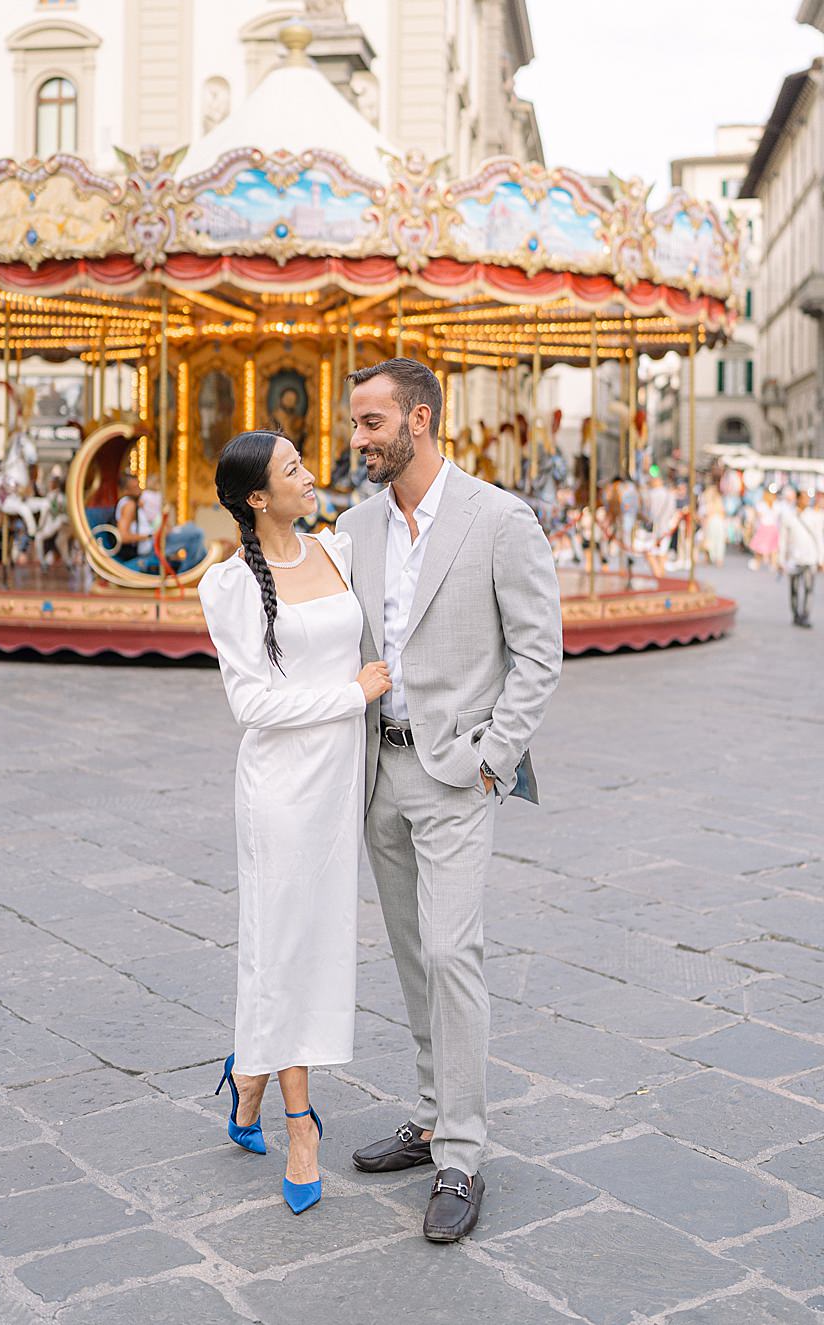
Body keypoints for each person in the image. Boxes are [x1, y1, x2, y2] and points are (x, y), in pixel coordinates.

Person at [337, 358, 561, 1244]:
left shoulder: (499, 519)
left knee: (452, 949)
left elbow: (539, 654)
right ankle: (430, 1112)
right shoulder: (353, 526)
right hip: (377, 772)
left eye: (371, 423)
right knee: (410, 954)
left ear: (420, 420)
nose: (357, 439)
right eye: (357, 424)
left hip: (456, 772)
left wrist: (493, 759)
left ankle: (462, 1154)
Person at [200, 430, 391, 1217]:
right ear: (257, 496)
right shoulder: (231, 584)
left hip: (339, 782)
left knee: (319, 939)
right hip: (280, 786)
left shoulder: (338, 548)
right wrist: (352, 693)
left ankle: (249, 1076)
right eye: (292, 471)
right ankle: (299, 1121)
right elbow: (252, 705)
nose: (309, 477)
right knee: (281, 942)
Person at [783, 490, 821, 628]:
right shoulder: (789, 516)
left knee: (809, 588)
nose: (806, 501)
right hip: (794, 559)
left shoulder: (813, 516)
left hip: (810, 558)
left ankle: (805, 615)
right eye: (803, 498)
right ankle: (795, 615)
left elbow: (818, 537)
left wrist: (821, 559)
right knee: (794, 589)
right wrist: (782, 559)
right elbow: (783, 539)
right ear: (797, 499)